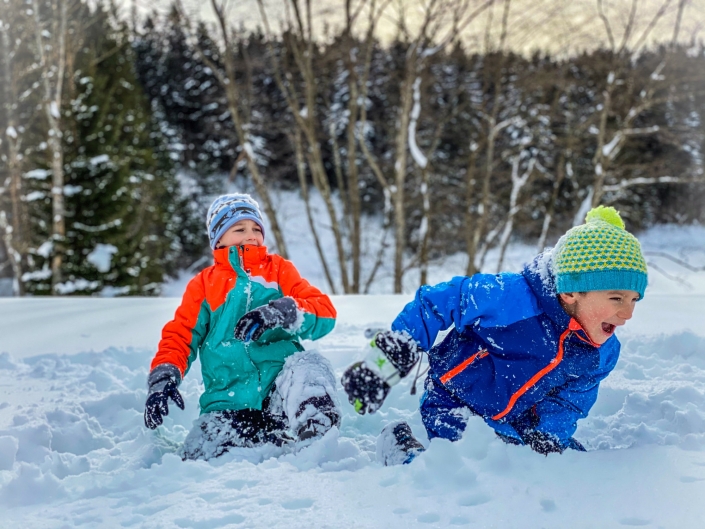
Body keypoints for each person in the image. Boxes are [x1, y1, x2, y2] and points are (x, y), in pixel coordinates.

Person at [341, 206, 648, 464]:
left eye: (634, 300)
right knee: (469, 459)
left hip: (518, 418)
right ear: (571, 292)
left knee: (563, 461)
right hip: (454, 399)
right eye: (616, 298)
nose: (627, 313)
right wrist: (389, 357)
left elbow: (572, 399)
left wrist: (549, 436)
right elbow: (440, 301)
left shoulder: (602, 352)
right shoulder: (512, 297)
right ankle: (400, 451)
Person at [144, 193, 339, 460]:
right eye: (240, 228)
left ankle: (316, 439)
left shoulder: (279, 271)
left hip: (278, 397)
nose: (251, 234)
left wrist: (282, 312)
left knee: (310, 365)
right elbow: (180, 335)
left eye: (256, 229)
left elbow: (325, 314)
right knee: (195, 458)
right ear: (218, 238)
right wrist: (164, 376)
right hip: (227, 402)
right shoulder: (203, 285)